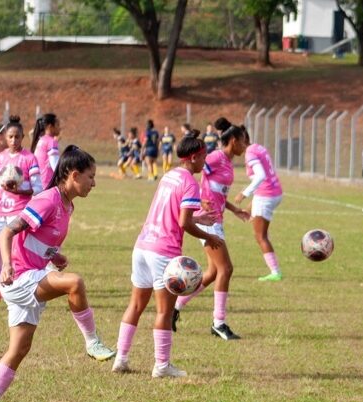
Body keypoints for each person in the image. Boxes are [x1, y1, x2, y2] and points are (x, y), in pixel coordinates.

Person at [0, 146, 116, 402]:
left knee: (19, 349)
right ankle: (92, 343)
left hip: (32, 273)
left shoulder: (67, 204)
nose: (94, 183)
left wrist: (53, 254)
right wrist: (9, 267)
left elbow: (37, 239)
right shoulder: (48, 200)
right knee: (75, 283)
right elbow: (9, 230)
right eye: (91, 176)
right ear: (73, 175)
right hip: (21, 278)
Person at [112, 132, 223, 378]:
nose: (205, 160)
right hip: (163, 251)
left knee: (136, 305)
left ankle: (121, 358)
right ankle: (161, 366)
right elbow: (183, 222)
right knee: (164, 311)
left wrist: (199, 218)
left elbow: (173, 213)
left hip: (142, 246)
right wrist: (209, 235)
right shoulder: (190, 183)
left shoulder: (170, 175)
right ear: (193, 157)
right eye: (203, 156)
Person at [173, 123, 251, 341]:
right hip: (207, 220)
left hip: (217, 219)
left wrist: (236, 210)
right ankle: (219, 323)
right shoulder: (216, 157)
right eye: (244, 140)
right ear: (234, 140)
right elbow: (196, 173)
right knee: (226, 269)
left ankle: (175, 307)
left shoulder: (227, 163)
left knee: (213, 273)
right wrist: (200, 198)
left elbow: (219, 194)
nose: (246, 145)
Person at [0, 116, 42, 309]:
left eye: (17, 137)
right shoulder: (0, 156)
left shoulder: (29, 158)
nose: (13, 140)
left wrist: (17, 190)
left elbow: (37, 188)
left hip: (18, 212)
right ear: (6, 137)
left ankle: (22, 294)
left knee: (16, 258)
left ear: (22, 137)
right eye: (10, 137)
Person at [234, 128, 284, 282]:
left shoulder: (250, 153)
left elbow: (261, 176)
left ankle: (275, 272)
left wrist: (245, 193)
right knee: (262, 233)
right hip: (275, 192)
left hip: (266, 195)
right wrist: (251, 205)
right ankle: (275, 271)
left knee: (260, 235)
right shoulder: (258, 147)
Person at [30, 113, 60, 189]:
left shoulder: (41, 140)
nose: (60, 128)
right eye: (57, 125)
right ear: (50, 126)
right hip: (47, 184)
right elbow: (55, 165)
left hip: (39, 184)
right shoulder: (51, 141)